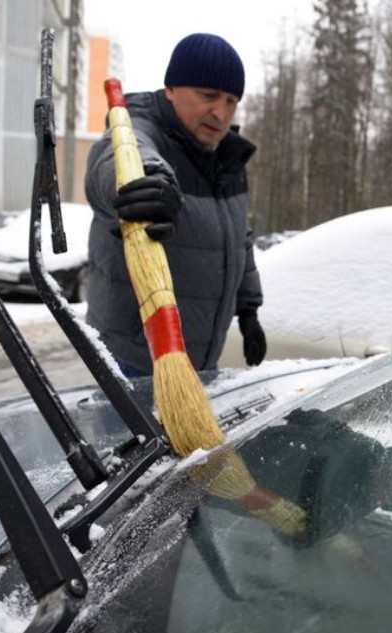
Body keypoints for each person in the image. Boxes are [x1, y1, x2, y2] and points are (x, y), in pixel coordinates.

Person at [84, 33, 267, 378]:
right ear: (170, 89)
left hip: (200, 359)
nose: (220, 112)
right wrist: (150, 182)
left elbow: (239, 241)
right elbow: (119, 156)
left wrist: (248, 310)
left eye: (231, 101)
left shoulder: (227, 162)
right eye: (208, 95)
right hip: (134, 360)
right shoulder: (137, 129)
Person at [233, 408, 392, 543]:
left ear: (390, 503)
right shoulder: (371, 451)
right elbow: (333, 428)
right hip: (244, 423)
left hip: (225, 471)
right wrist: (293, 410)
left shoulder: (337, 515)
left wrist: (238, 485)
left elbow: (293, 533)